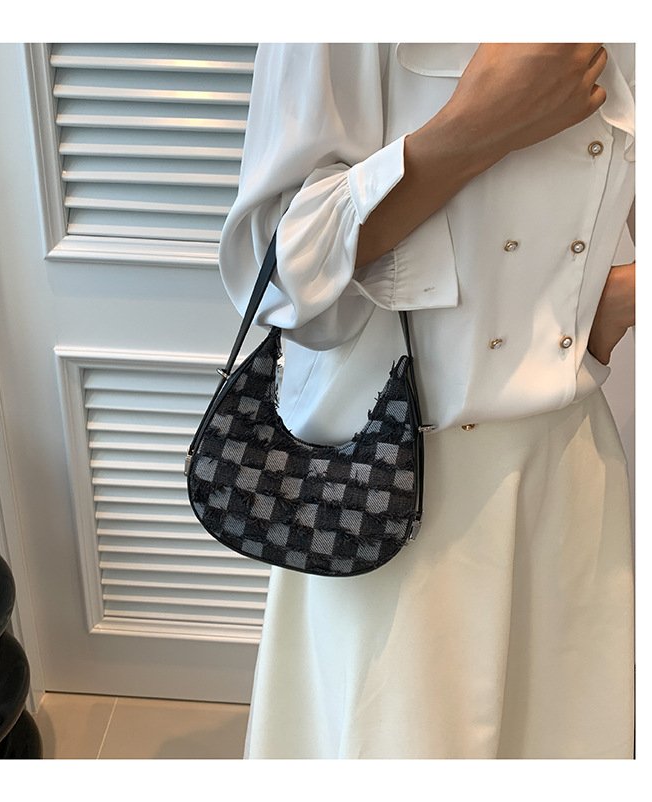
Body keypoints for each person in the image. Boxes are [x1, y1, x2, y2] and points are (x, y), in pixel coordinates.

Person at [218, 43, 635, 759]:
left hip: (567, 465)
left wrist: (618, 299)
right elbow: (279, 278)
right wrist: (475, 129)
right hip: (387, 484)